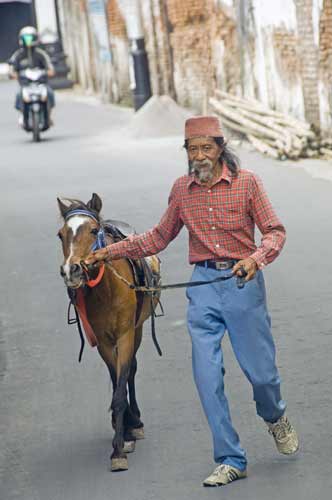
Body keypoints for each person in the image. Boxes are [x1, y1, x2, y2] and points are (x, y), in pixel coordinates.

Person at [85, 116, 299, 487]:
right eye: (192, 149)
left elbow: (274, 232)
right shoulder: (182, 190)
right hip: (202, 287)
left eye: (206, 148)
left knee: (261, 375)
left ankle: (275, 416)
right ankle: (231, 458)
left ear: (220, 148)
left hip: (242, 283)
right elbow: (156, 238)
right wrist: (106, 253)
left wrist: (255, 259)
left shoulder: (248, 184)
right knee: (206, 377)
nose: (199, 156)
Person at [8, 26, 55, 125]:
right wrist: (14, 74)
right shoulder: (18, 55)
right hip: (25, 85)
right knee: (19, 95)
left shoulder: (41, 54)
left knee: (49, 93)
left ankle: (49, 116)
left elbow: (50, 68)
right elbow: (12, 69)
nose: (28, 41)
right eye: (26, 38)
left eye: (30, 38)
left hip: (40, 84)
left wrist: (48, 72)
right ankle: (22, 115)